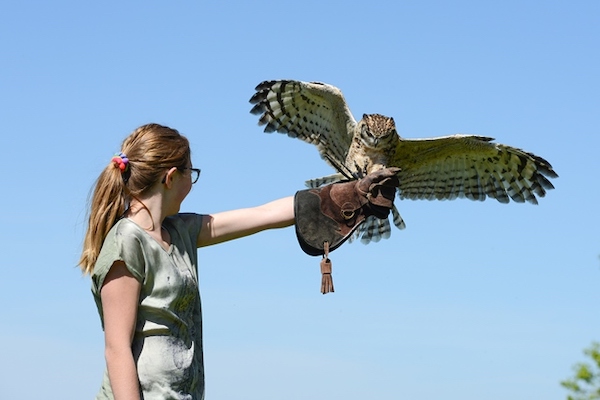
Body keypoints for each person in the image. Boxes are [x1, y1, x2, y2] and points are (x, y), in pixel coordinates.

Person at [79, 123, 398, 400]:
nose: (193, 180)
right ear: (171, 177)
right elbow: (116, 349)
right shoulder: (126, 242)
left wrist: (346, 194)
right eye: (193, 172)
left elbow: (260, 216)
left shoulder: (181, 232)